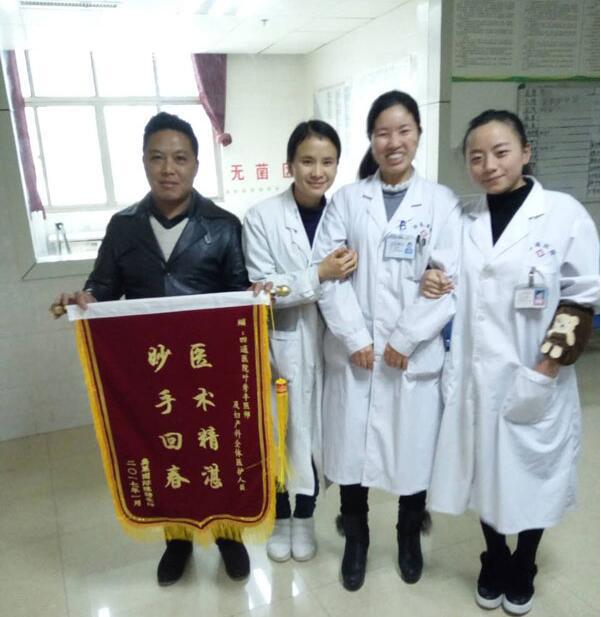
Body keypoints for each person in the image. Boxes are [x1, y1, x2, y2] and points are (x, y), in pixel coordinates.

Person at [53, 111, 255, 587]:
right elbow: (103, 286)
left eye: (180, 158)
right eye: (158, 158)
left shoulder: (223, 225)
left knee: (214, 449)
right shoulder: (123, 227)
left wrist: (256, 298)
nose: (169, 169)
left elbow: (239, 295)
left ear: (196, 164)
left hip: (208, 370)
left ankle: (228, 535)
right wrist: (86, 298)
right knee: (167, 453)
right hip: (153, 370)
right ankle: (176, 540)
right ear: (143, 162)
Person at [423, 110, 599, 615]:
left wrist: (548, 366)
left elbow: (584, 296)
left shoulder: (562, 214)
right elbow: (440, 270)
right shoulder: (463, 216)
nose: (489, 165)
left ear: (525, 151)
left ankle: (525, 561)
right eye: (476, 157)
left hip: (536, 370)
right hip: (476, 377)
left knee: (533, 472)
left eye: (500, 152)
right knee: (485, 472)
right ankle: (494, 556)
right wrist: (431, 276)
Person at [311, 90, 461, 591]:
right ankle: (356, 541)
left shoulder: (440, 203)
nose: (393, 142)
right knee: (351, 455)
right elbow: (328, 275)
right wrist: (354, 335)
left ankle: (408, 536)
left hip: (411, 358)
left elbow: (449, 280)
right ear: (370, 139)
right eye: (382, 133)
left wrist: (406, 337)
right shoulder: (347, 201)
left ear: (418, 134)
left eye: (403, 131)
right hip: (354, 355)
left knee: (412, 454)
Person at [242, 120, 357, 563]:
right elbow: (262, 288)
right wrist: (319, 274)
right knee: (280, 434)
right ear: (289, 164)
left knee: (317, 438)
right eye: (307, 161)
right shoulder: (262, 217)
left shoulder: (343, 216)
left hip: (332, 346)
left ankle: (306, 519)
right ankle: (281, 518)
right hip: (282, 346)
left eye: (328, 162)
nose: (317, 171)